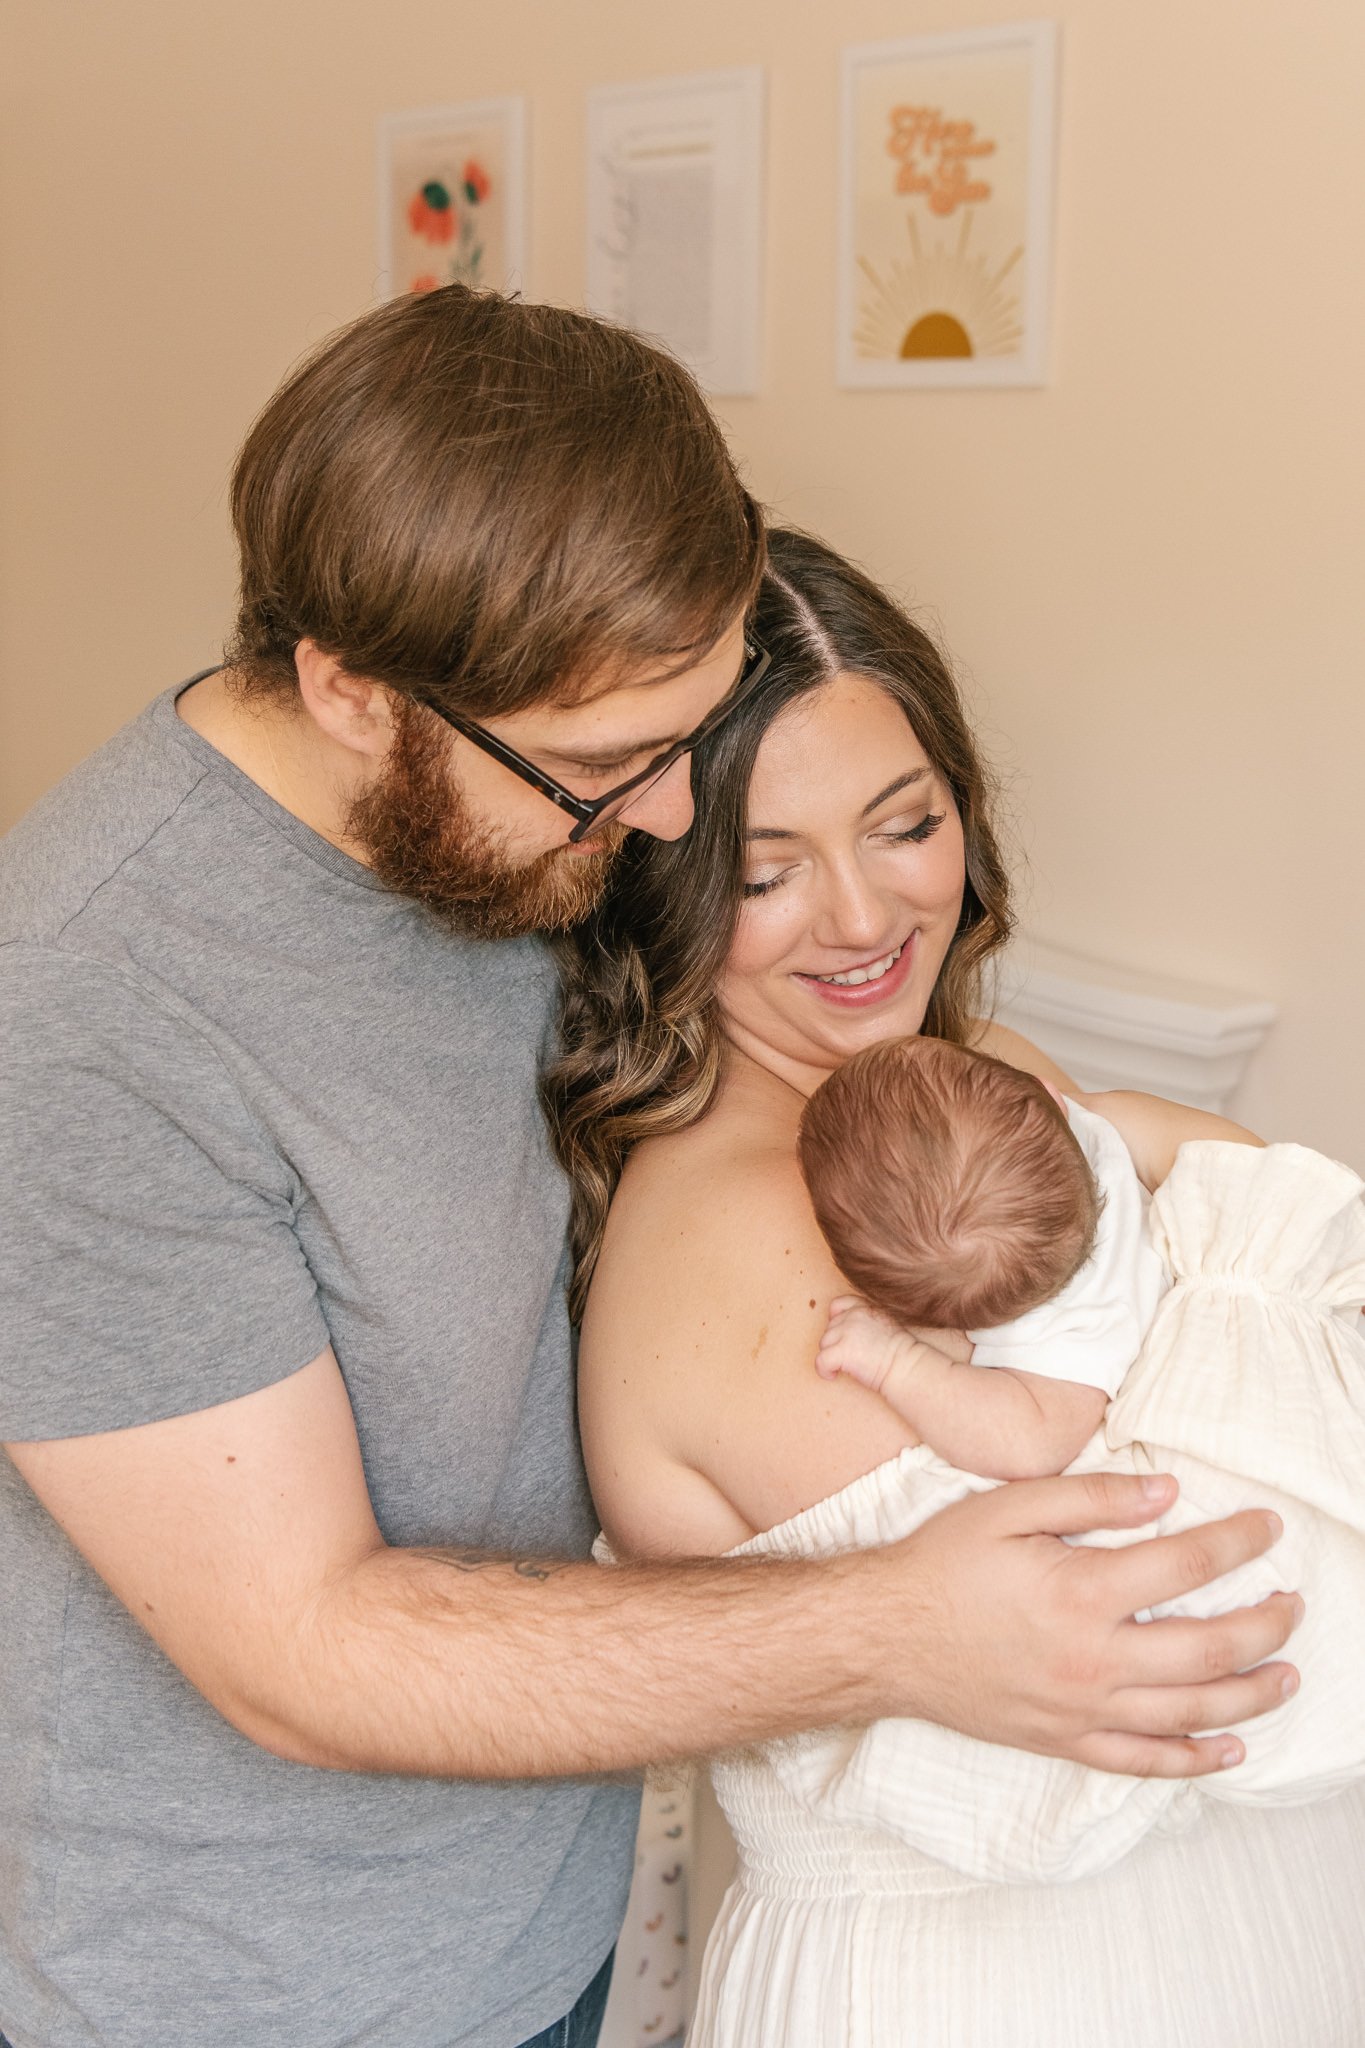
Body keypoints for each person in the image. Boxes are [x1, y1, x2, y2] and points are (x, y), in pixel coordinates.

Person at [0, 292, 1296, 2048]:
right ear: (350, 692)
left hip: (562, 1900)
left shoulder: (523, 818)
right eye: (618, 770)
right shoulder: (81, 1013)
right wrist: (899, 1629)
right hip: (268, 1986)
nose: (668, 827)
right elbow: (298, 1648)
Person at [549, 527, 1365, 2045]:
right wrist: (1256, 1292)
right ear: (654, 894)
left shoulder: (968, 1075)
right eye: (763, 872)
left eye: (903, 823)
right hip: (1005, 1983)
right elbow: (1222, 1643)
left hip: (1220, 1936)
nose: (863, 921)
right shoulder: (741, 1233)